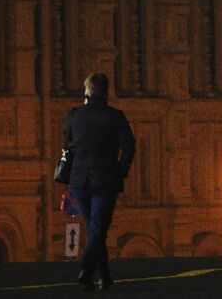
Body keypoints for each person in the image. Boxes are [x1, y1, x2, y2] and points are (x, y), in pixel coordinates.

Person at [63, 73, 136, 292]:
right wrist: (121, 170)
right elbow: (129, 147)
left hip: (79, 181)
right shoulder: (116, 117)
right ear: (106, 91)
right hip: (106, 180)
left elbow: (67, 142)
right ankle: (86, 271)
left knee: (95, 227)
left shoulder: (75, 115)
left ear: (87, 91)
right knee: (97, 228)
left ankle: (104, 275)